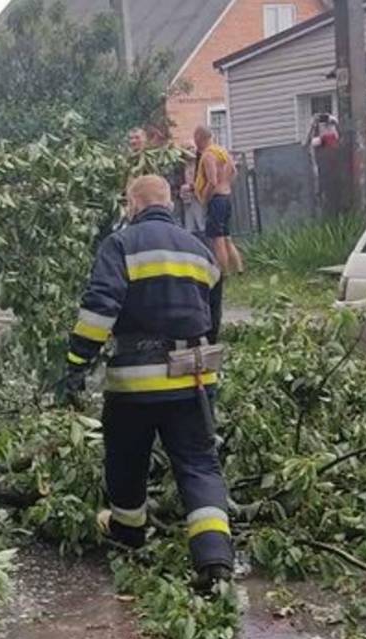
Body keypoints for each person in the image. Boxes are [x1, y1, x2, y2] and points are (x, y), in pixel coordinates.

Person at [58, 175, 237, 591]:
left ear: (131, 205)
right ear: (170, 203)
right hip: (193, 377)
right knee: (198, 463)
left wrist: (76, 365)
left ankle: (129, 533)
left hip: (135, 385)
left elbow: (99, 312)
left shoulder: (120, 245)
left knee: (127, 459)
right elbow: (213, 320)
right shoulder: (200, 251)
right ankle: (214, 559)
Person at [191, 125, 241, 277]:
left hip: (216, 199)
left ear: (200, 138)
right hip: (226, 197)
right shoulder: (222, 152)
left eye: (195, 139)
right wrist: (226, 185)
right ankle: (238, 269)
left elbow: (212, 181)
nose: (195, 143)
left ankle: (224, 273)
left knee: (217, 239)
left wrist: (205, 199)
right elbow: (234, 171)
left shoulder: (208, 155)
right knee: (226, 236)